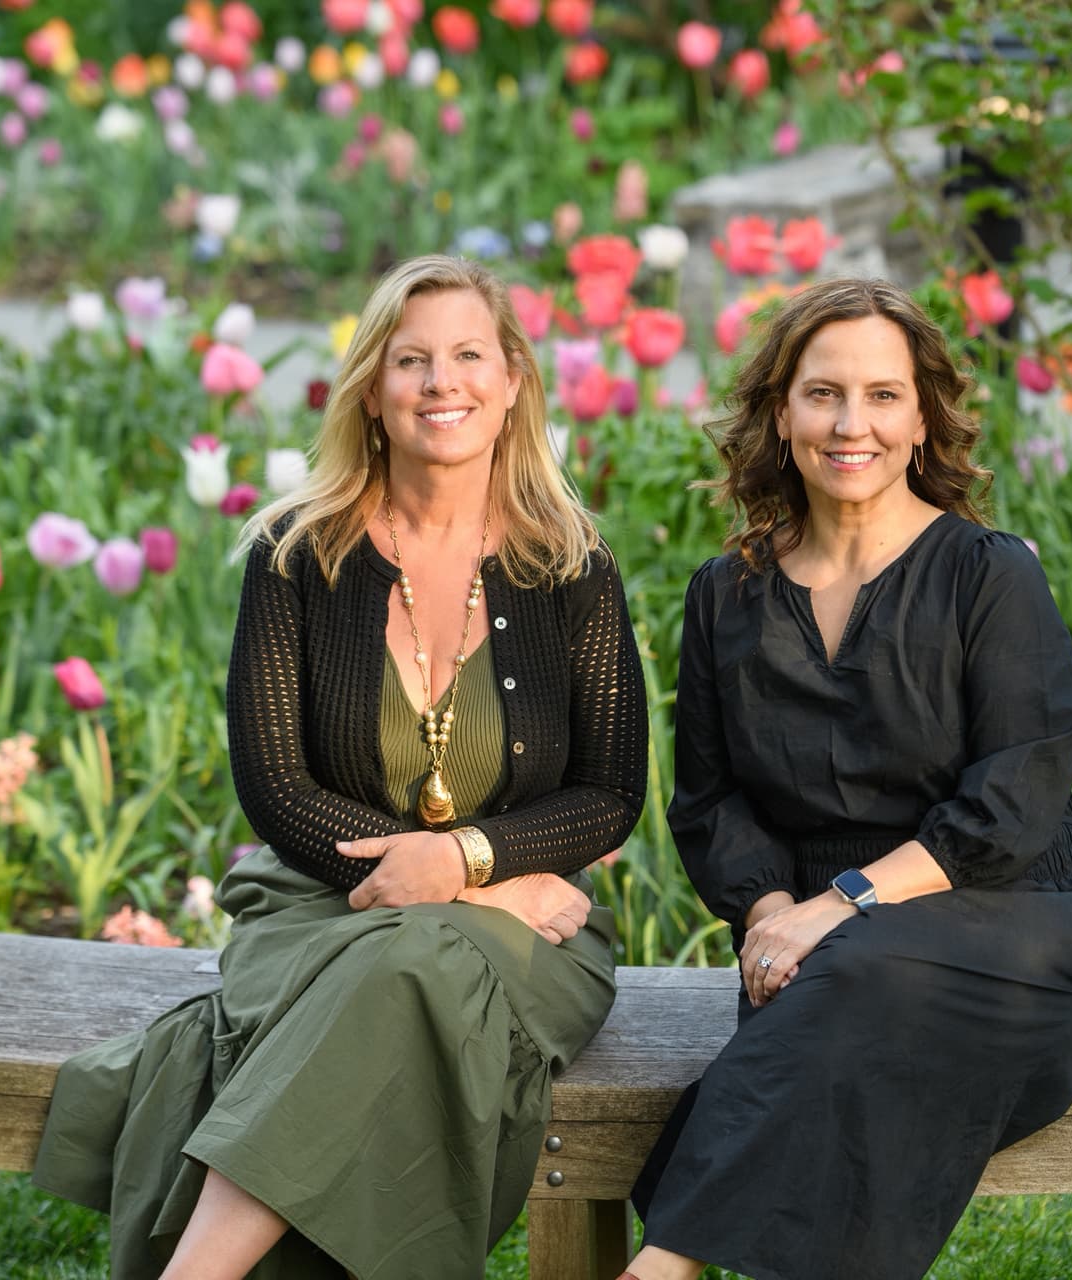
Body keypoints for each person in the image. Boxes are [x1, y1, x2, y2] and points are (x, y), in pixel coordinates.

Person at [32, 254, 648, 1279]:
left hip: (537, 938)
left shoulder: (570, 563)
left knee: (410, 964)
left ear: (511, 385)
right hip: (326, 901)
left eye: (466, 356)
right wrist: (485, 886)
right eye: (412, 359)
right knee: (400, 970)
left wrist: (466, 863)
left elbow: (613, 790)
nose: (441, 382)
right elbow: (275, 785)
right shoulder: (297, 554)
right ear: (371, 388)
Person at [622, 278, 1072, 1280]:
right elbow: (711, 801)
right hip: (816, 949)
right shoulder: (727, 593)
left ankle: (659, 1265)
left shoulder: (989, 573)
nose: (853, 423)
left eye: (885, 395)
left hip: (1016, 913)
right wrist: (774, 910)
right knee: (842, 992)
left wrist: (841, 903)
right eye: (824, 393)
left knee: (855, 971)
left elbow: (1015, 798)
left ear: (924, 416)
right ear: (782, 412)